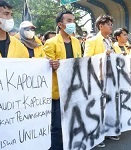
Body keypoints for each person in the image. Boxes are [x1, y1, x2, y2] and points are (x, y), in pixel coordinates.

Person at [43, 10, 81, 150]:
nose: (72, 23)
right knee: (57, 125)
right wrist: (52, 64)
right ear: (60, 24)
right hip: (57, 90)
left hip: (73, 88)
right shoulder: (50, 43)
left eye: (73, 20)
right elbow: (45, 64)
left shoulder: (76, 42)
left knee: (72, 121)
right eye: (69, 21)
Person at [83, 15, 119, 148]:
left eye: (111, 24)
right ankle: (96, 135)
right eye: (108, 24)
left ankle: (108, 131)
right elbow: (87, 59)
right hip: (97, 79)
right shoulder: (92, 41)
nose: (111, 27)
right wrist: (105, 54)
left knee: (108, 106)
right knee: (97, 108)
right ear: (100, 26)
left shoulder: (110, 41)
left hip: (110, 78)